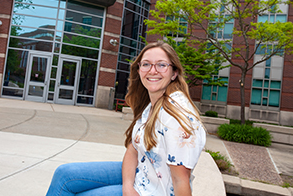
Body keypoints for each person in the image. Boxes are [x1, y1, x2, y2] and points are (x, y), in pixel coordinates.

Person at [46, 42, 206, 196]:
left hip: (155, 192)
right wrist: (127, 187)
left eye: (162, 65)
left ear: (174, 73)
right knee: (64, 175)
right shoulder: (151, 106)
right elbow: (132, 150)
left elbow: (181, 180)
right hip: (141, 175)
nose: (153, 70)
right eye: (146, 64)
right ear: (139, 70)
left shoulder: (175, 113)